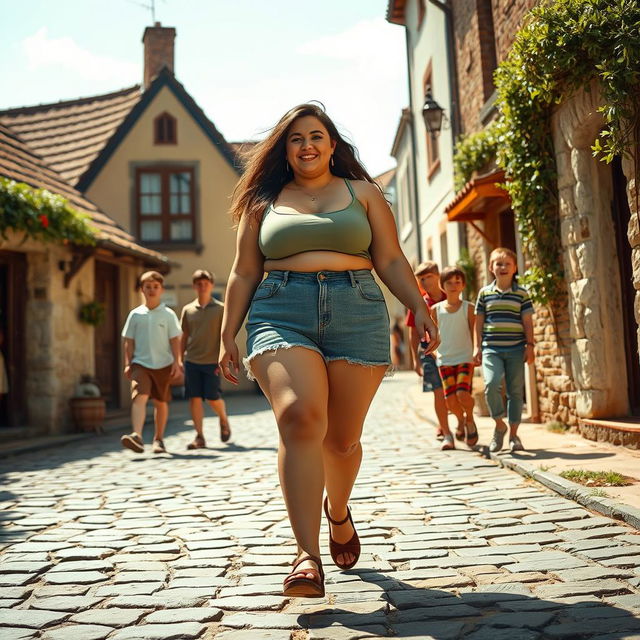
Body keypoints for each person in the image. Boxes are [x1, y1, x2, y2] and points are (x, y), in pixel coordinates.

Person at [218, 103, 439, 598]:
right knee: (299, 417)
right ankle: (306, 556)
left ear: (332, 145)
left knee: (341, 442)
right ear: (286, 149)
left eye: (315, 136)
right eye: (295, 139)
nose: (306, 145)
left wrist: (419, 305)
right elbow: (244, 271)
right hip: (280, 308)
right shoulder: (263, 201)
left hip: (356, 308)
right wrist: (228, 331)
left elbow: (389, 258)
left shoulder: (363, 194)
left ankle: (338, 512)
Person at [474, 247, 534, 453]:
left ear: (515, 268)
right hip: (491, 348)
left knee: (515, 391)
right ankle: (500, 424)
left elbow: (527, 322)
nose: (503, 267)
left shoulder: (521, 294)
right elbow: (479, 321)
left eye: (507, 263)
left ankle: (514, 435)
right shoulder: (485, 293)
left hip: (516, 348)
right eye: (498, 263)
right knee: (491, 384)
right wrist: (477, 347)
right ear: (491, 267)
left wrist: (530, 345)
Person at [120, 271, 182, 454]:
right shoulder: (135, 315)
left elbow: (175, 341)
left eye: (156, 287)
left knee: (160, 402)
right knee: (140, 395)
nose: (152, 290)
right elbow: (128, 341)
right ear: (142, 289)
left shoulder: (168, 314)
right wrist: (127, 363)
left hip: (164, 364)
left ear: (161, 289)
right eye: (148, 287)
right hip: (140, 364)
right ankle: (137, 435)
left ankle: (159, 439)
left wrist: (177, 363)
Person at [180, 269, 231, 448]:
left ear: (211, 285)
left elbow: (226, 336)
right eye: (199, 284)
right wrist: (180, 360)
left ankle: (223, 419)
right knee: (194, 398)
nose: (202, 287)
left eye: (206, 283)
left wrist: (224, 358)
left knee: (212, 398)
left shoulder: (221, 309)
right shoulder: (187, 310)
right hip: (192, 360)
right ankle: (199, 436)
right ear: (194, 286)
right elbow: (184, 336)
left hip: (212, 362)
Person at [405, 262, 451, 446]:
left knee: (454, 394)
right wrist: (415, 361)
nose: (424, 282)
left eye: (428, 277)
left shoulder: (450, 297)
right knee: (439, 392)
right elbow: (412, 333)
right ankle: (447, 432)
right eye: (421, 279)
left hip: (453, 351)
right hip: (429, 352)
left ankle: (461, 424)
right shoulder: (419, 303)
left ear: (438, 276)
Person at [432, 266, 478, 450]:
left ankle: (470, 420)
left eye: (457, 282)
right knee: (450, 401)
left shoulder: (469, 308)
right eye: (449, 282)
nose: (453, 285)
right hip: (445, 360)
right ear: (442, 285)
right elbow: (432, 335)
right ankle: (461, 420)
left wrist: (476, 350)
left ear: (463, 285)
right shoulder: (435, 310)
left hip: (465, 357)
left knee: (462, 394)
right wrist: (435, 352)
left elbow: (475, 331)